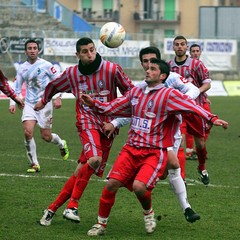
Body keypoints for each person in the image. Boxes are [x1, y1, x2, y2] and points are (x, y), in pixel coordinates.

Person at [80, 58, 228, 236]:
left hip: (154, 152)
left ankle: (148, 213)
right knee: (111, 184)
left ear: (162, 75)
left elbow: (192, 106)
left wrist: (212, 118)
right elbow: (113, 106)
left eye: (152, 69)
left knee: (139, 187)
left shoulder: (169, 95)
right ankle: (100, 224)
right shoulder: (136, 92)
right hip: (131, 148)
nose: (147, 71)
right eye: (147, 67)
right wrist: (94, 104)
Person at [34, 37, 134, 226]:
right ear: (77, 54)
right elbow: (54, 85)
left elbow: (132, 94)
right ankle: (72, 206)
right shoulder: (72, 74)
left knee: (82, 170)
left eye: (92, 50)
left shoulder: (112, 70)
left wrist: (116, 122)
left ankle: (51, 209)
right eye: (85, 51)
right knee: (94, 160)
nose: (90, 54)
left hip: (108, 126)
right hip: (86, 121)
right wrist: (44, 100)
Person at [102, 46, 201, 223]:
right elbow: (133, 112)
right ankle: (177, 208)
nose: (149, 64)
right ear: (142, 64)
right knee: (171, 166)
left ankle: (186, 207)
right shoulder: (141, 87)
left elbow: (193, 90)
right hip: (152, 138)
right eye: (145, 62)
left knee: (171, 170)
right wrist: (115, 122)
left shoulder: (173, 78)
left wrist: (180, 101)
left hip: (170, 134)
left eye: (152, 61)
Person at [9, 39, 69, 173]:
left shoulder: (47, 65)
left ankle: (61, 143)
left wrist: (58, 97)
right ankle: (34, 164)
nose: (32, 50)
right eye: (29, 48)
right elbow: (16, 88)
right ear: (25, 51)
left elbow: (60, 82)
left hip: (44, 104)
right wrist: (13, 102)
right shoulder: (22, 68)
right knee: (27, 132)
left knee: (46, 136)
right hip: (29, 104)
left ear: (38, 50)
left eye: (34, 48)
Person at [169, 36, 212, 185]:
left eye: (182, 44)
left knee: (200, 144)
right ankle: (181, 177)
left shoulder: (196, 64)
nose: (179, 47)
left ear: (186, 47)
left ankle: (202, 167)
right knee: (178, 142)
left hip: (195, 109)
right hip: (178, 112)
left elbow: (207, 83)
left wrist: (196, 92)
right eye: (177, 45)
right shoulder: (168, 66)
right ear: (173, 47)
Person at [186, 44, 212, 160]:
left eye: (197, 51)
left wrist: (204, 95)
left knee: (209, 122)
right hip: (189, 101)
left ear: (200, 52)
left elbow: (204, 83)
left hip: (201, 99)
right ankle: (189, 151)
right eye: (193, 51)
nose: (195, 53)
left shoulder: (200, 66)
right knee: (186, 126)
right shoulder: (186, 67)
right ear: (190, 53)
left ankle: (196, 149)